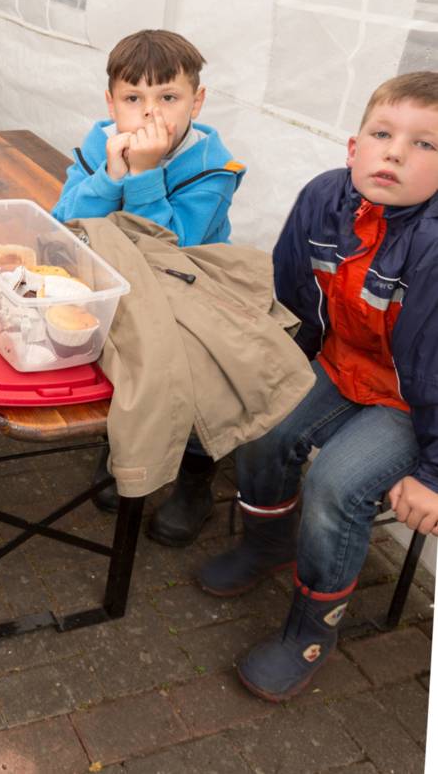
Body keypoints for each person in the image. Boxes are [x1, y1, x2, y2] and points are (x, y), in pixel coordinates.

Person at [199, 71, 438, 702]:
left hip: (414, 406)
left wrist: (435, 474)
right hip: (340, 365)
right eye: (382, 134)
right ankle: (269, 542)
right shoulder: (322, 200)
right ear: (352, 147)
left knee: (336, 484)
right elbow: (290, 300)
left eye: (425, 144)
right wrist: (266, 374)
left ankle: (311, 631)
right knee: (263, 423)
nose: (395, 152)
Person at [53, 29, 246, 545]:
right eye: (133, 99)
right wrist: (111, 175)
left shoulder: (212, 169)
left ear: (196, 101)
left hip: (188, 288)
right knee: (111, 349)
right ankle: (121, 444)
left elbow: (168, 252)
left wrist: (143, 175)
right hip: (117, 281)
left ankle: (195, 475)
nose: (149, 114)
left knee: (199, 367)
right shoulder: (102, 142)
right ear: (111, 102)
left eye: (168, 98)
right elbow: (64, 224)